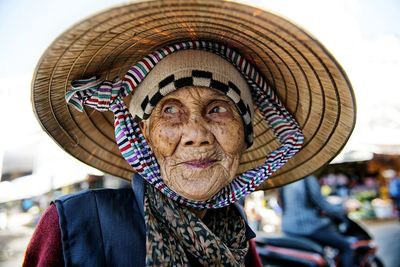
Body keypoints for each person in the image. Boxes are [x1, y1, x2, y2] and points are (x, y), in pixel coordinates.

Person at [23, 0, 356, 266]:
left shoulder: (236, 232)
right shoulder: (73, 224)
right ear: (145, 134)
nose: (197, 134)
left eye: (218, 108)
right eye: (169, 109)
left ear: (244, 133)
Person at [280, 175, 353, 267]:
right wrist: (343, 208)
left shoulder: (285, 180)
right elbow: (322, 204)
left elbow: (282, 205)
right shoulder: (307, 178)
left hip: (288, 228)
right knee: (346, 246)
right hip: (308, 228)